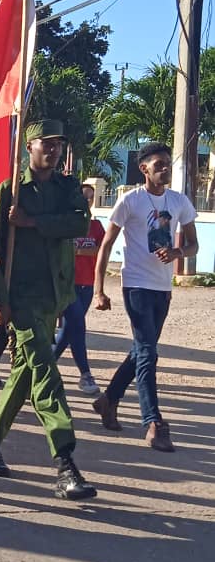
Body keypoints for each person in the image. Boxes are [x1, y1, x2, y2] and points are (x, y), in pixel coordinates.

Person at [0, 120, 97, 501]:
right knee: (45, 374)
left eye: (58, 144)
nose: (54, 149)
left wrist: (33, 222)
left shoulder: (66, 188)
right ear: (29, 146)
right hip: (22, 298)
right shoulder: (10, 190)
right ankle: (65, 462)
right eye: (47, 143)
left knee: (24, 375)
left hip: (54, 296)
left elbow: (80, 222)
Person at [92, 141, 198, 453]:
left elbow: (193, 245)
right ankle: (153, 422)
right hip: (136, 285)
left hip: (162, 288)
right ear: (144, 169)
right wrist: (99, 290)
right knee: (149, 352)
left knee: (142, 349)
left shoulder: (179, 201)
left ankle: (108, 399)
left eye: (167, 163)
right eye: (158, 164)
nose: (164, 168)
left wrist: (178, 252)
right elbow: (107, 244)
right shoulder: (131, 201)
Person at [53, 183, 105, 396]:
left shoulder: (96, 226)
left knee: (69, 330)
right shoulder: (68, 224)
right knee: (78, 326)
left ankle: (44, 366)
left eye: (91, 197)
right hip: (69, 284)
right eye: (84, 197)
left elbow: (100, 251)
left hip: (88, 284)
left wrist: (79, 250)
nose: (88, 201)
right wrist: (85, 250)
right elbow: (64, 250)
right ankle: (85, 374)